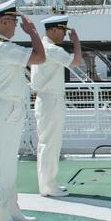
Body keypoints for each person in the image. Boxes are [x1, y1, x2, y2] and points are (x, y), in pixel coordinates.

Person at [0, 0, 46, 221]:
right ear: (3, 21)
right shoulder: (1, 47)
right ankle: (2, 219)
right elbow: (40, 56)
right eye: (15, 22)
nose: (17, 27)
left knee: (9, 167)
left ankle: (12, 211)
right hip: (3, 112)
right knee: (1, 169)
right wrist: (34, 33)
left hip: (8, 111)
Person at [31, 15, 82, 197]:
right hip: (50, 100)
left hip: (49, 99)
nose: (64, 35)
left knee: (51, 143)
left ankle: (50, 182)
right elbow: (76, 62)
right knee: (49, 144)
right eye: (62, 31)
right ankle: (47, 186)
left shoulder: (46, 47)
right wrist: (76, 42)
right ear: (53, 30)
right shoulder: (51, 49)